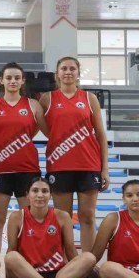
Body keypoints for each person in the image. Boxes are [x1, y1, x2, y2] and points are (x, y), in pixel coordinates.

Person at [0, 62, 47, 278]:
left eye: (17, 77)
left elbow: (38, 131)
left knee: (29, 222)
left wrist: (18, 143)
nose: (13, 81)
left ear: (23, 81)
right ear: (1, 80)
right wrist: (4, 146)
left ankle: (28, 272)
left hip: (28, 170)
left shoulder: (33, 105)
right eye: (8, 77)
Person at [39, 56, 109, 252]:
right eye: (64, 68)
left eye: (72, 69)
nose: (68, 72)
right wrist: (61, 141)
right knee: (63, 217)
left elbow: (101, 135)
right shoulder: (47, 99)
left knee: (88, 216)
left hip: (89, 164)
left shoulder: (89, 98)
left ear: (78, 73)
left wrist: (105, 169)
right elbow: (46, 130)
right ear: (57, 73)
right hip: (59, 164)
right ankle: (65, 261)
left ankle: (88, 262)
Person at [4, 177, 96, 278]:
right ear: (27, 195)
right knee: (11, 256)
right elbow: (11, 251)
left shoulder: (62, 216)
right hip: (29, 275)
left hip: (58, 275)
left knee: (89, 257)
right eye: (35, 190)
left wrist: (80, 272)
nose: (40, 195)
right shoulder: (16, 217)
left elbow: (71, 252)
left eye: (45, 191)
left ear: (50, 195)